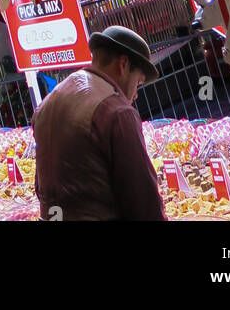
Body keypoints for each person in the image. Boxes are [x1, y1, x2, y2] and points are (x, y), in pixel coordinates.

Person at [32, 26, 165, 222]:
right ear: (123, 65)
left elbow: (41, 185)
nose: (136, 95)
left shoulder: (48, 102)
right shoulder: (117, 111)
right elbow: (143, 201)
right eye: (138, 83)